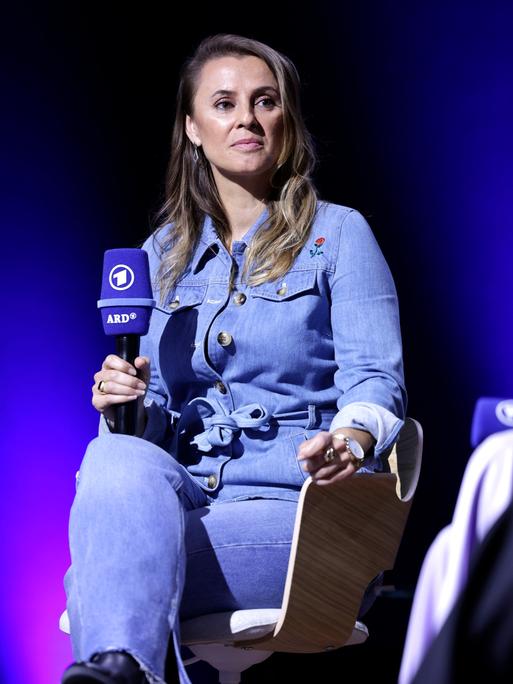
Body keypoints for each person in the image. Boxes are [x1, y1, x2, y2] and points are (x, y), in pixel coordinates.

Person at [61, 33, 407, 684]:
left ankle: (123, 664)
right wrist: (129, 408)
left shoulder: (339, 234)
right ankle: (127, 669)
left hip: (303, 520)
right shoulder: (160, 255)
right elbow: (154, 426)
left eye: (264, 102)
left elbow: (375, 381)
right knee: (111, 454)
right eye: (223, 103)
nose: (245, 118)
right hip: (191, 502)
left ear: (286, 121)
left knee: (98, 581)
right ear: (192, 128)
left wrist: (352, 437)